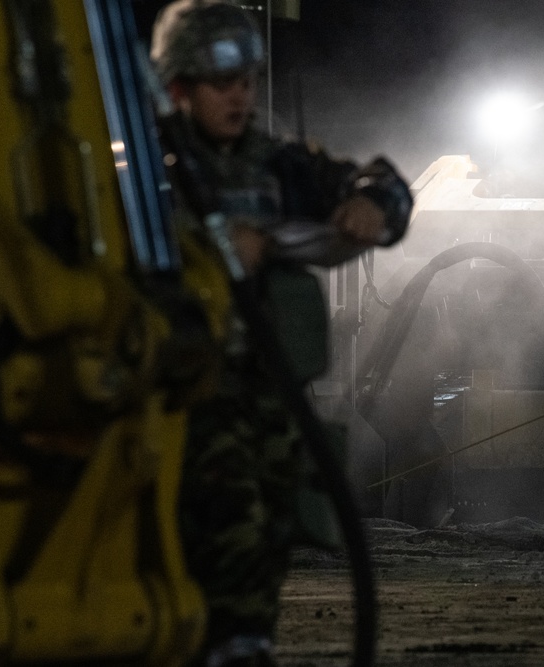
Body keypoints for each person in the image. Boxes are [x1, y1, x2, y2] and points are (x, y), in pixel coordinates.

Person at [150, 2, 412, 665]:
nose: (240, 95)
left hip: (267, 390)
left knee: (271, 523)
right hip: (179, 389)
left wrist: (371, 202)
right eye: (220, 81)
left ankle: (243, 643)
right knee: (223, 518)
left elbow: (384, 184)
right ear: (178, 85)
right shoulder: (141, 169)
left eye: (248, 80)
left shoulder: (277, 163)